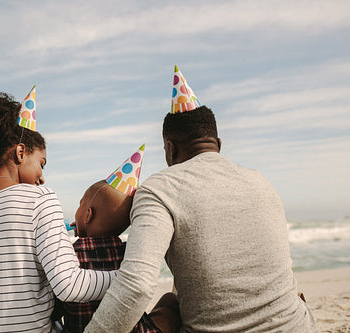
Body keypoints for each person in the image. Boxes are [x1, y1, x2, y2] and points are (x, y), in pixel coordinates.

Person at [85, 68, 317, 332]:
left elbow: (137, 285)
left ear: (170, 148)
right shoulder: (261, 181)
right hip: (298, 326)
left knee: (169, 301)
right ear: (217, 143)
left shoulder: (160, 188)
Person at [0, 92, 116, 333]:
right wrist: (130, 275)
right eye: (41, 163)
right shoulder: (40, 199)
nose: (42, 176)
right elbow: (71, 287)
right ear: (20, 152)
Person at [56, 179, 181, 333]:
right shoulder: (130, 253)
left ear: (88, 215)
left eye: (80, 204)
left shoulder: (69, 254)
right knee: (170, 300)